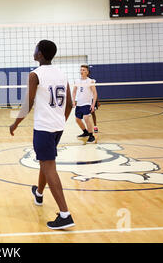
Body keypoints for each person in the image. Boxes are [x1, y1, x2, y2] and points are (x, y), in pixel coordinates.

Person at [9, 40, 75, 230]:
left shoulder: (35, 74)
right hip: (58, 127)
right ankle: (39, 193)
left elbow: (28, 105)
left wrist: (15, 123)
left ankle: (65, 214)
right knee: (45, 162)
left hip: (44, 127)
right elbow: (70, 103)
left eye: (36, 48)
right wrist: (60, 120)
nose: (34, 51)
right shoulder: (62, 74)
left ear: (40, 54)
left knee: (49, 166)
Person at [72, 65, 97, 144]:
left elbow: (94, 93)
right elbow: (74, 91)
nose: (82, 71)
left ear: (87, 72)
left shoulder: (90, 81)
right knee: (77, 119)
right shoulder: (77, 81)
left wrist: (93, 105)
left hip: (87, 103)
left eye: (83, 70)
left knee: (86, 118)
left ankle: (91, 135)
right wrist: (73, 100)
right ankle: (85, 132)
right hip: (79, 103)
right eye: (81, 70)